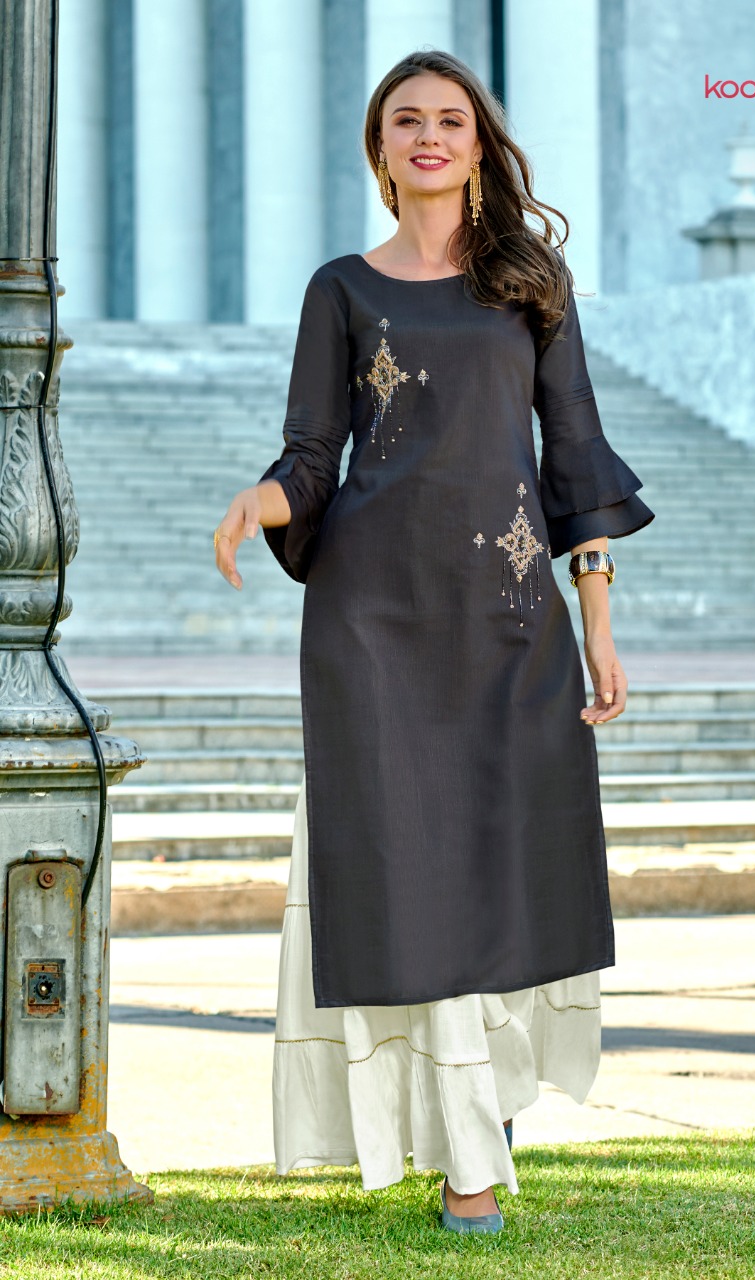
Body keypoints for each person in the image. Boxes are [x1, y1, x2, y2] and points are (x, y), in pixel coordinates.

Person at [214, 49, 654, 1235]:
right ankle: (469, 1158)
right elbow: (312, 454)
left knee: (503, 866)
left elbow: (576, 454)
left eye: (450, 119)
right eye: (406, 119)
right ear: (381, 145)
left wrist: (599, 619)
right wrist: (261, 499)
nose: (428, 135)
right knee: (402, 870)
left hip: (508, 621)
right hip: (372, 622)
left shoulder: (530, 285)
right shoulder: (341, 289)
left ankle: (484, 1103)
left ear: (476, 144)